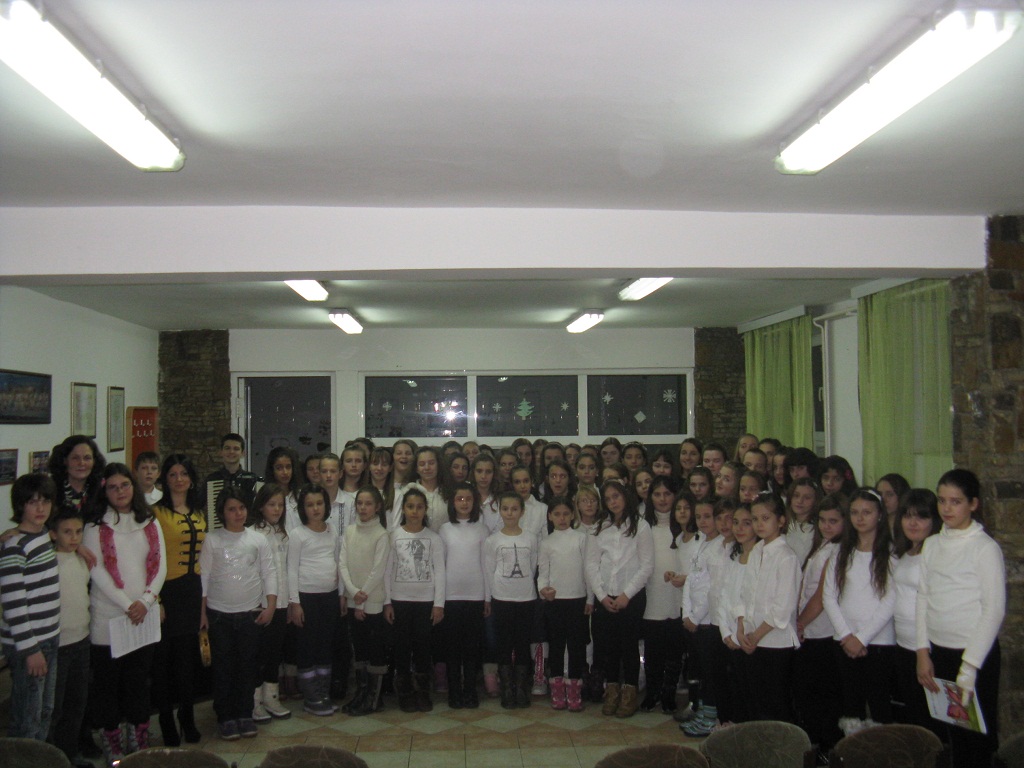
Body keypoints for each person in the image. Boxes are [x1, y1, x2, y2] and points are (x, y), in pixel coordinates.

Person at [916, 469, 1005, 768]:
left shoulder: (984, 548)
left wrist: (970, 666)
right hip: (939, 651)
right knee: (953, 733)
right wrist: (922, 652)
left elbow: (994, 609)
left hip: (973, 655)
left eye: (955, 502)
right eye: (942, 500)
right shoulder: (932, 544)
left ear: (973, 504)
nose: (946, 508)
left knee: (977, 739)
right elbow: (923, 597)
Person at [83, 463, 167, 764]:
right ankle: (112, 741)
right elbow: (97, 571)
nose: (120, 492)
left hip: (143, 615)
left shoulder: (149, 520)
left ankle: (138, 736)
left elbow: (160, 565)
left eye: (125, 485)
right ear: (104, 491)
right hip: (109, 617)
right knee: (108, 684)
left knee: (138, 681)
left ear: (133, 487)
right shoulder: (95, 526)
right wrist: (127, 604)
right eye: (113, 487)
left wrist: (146, 601)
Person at [199, 488, 277, 741]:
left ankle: (245, 713)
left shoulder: (258, 539)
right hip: (219, 615)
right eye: (231, 509)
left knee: (247, 667)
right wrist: (202, 612)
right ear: (222, 512)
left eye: (242, 508)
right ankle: (225, 716)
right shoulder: (212, 540)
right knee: (223, 668)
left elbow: (269, 572)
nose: (238, 513)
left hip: (250, 614)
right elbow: (204, 577)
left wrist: (271, 606)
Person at [823, 488, 896, 734]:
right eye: (854, 512)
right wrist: (846, 636)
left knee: (879, 701)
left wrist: (862, 638)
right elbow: (829, 596)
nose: (860, 518)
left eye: (867, 512)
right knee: (850, 701)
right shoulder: (841, 551)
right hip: (844, 639)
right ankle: (852, 747)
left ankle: (881, 749)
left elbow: (890, 600)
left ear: (880, 515)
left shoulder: (890, 553)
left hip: (879, 640)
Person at [150, 453, 207, 746]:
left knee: (187, 662)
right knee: (163, 663)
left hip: (191, 590)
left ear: (191, 478)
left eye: (183, 473)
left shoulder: (199, 513)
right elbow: (149, 558)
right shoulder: (155, 513)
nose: (179, 479)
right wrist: (156, 600)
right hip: (165, 591)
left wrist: (203, 605)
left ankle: (187, 716)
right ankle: (165, 719)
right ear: (165, 479)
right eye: (172, 474)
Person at [585, 481, 654, 718]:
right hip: (606, 597)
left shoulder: (641, 526)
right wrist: (602, 596)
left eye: (616, 496)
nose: (613, 502)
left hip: (630, 597)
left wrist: (626, 595)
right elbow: (591, 565)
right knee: (609, 647)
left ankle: (629, 692)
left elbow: (646, 566)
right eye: (607, 498)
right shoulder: (599, 527)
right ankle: (612, 690)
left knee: (629, 646)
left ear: (625, 496)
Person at [0, 473, 60, 741]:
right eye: (32, 502)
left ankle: (40, 758)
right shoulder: (15, 546)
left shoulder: (45, 535)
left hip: (50, 637)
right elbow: (13, 604)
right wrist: (30, 650)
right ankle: (22, 759)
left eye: (45, 501)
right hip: (29, 644)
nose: (40, 508)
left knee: (45, 711)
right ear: (20, 505)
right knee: (27, 720)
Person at [737, 492, 800, 722]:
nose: (759, 524)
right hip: (752, 638)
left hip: (775, 641)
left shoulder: (786, 557)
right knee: (756, 700)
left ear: (781, 520)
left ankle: (783, 744)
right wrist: (741, 629)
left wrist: (756, 635)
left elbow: (783, 607)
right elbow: (745, 594)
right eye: (755, 519)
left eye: (765, 518)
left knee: (777, 703)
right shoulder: (756, 551)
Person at [384, 486, 446, 713]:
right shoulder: (394, 536)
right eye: (410, 506)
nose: (414, 511)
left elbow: (440, 572)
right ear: (403, 509)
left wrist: (439, 604)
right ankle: (405, 692)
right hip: (399, 601)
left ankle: (422, 692)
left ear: (425, 510)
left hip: (425, 602)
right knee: (401, 647)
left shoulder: (434, 538)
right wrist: (387, 602)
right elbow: (387, 571)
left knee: (422, 647)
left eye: (419, 507)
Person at [793, 493, 846, 755]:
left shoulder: (839, 550)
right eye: (823, 520)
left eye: (833, 521)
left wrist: (800, 623)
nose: (826, 525)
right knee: (809, 691)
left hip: (823, 631)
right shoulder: (822, 545)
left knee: (825, 694)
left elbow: (822, 596)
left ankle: (828, 747)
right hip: (809, 630)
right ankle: (815, 741)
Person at [287, 483, 341, 717]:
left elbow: (338, 563)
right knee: (307, 647)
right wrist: (295, 603)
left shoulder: (332, 531)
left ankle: (323, 694)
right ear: (303, 508)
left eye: (319, 503)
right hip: (306, 599)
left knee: (325, 646)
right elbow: (291, 570)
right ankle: (311, 697)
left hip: (330, 596)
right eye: (310, 504)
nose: (316, 508)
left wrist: (340, 594)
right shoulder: (297, 534)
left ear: (326, 506)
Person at [891, 489, 940, 734]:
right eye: (907, 516)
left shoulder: (935, 554)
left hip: (928, 649)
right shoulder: (904, 552)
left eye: (921, 516)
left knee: (934, 722)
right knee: (914, 720)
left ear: (934, 521)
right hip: (903, 645)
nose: (913, 523)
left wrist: (924, 654)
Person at [47, 507, 93, 768]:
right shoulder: (49, 562)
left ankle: (70, 753)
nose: (74, 537)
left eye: (78, 532)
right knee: (55, 706)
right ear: (53, 534)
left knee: (77, 703)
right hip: (58, 645)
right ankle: (53, 757)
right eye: (67, 532)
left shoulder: (81, 559)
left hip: (81, 640)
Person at [484, 490, 539, 710]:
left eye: (514, 509)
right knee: (504, 644)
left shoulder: (531, 538)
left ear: (522, 512)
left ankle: (521, 688)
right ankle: (507, 688)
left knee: (523, 643)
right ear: (500, 511)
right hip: (501, 598)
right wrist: (488, 599)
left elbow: (532, 567)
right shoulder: (493, 540)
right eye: (505, 509)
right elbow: (489, 571)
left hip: (526, 598)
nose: (509, 513)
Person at [679, 498, 729, 737]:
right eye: (698, 517)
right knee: (700, 670)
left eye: (708, 516)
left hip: (708, 622)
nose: (702, 521)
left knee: (711, 673)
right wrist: (686, 613)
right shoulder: (702, 543)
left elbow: (713, 589)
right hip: (695, 620)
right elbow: (691, 580)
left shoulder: (721, 546)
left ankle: (711, 717)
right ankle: (702, 711)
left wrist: (696, 617)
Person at [338, 486, 390, 715]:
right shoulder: (350, 531)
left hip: (372, 602)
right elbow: (343, 564)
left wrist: (361, 599)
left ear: (377, 507)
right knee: (359, 650)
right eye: (359, 503)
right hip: (353, 599)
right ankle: (361, 693)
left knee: (374, 649)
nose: (363, 508)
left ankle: (373, 698)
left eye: (368, 504)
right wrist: (351, 592)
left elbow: (378, 570)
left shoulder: (381, 534)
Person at [438, 482, 490, 709]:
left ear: (474, 502)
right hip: (451, 597)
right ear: (452, 502)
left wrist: (487, 598)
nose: (464, 503)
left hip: (475, 596)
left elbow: (486, 565)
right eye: (459, 498)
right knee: (452, 648)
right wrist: (439, 600)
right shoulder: (444, 529)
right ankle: (454, 692)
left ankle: (470, 690)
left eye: (468, 499)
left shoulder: (482, 529)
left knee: (471, 647)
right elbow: (440, 566)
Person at [538, 496, 590, 712]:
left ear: (572, 515)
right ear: (550, 516)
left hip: (578, 600)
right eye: (557, 514)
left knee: (576, 646)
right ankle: (557, 688)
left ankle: (575, 688)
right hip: (555, 602)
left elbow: (588, 571)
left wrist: (590, 598)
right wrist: (543, 589)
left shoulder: (581, 539)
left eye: (566, 514)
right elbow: (543, 573)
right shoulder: (546, 543)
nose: (562, 518)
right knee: (557, 645)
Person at [640, 478, 686, 713]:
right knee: (653, 649)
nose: (662, 499)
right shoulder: (643, 526)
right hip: (652, 594)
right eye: (657, 494)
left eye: (667, 494)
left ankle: (669, 693)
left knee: (674, 649)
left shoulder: (683, 527)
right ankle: (653, 692)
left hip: (677, 595)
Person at [249, 483, 293, 721]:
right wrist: (267, 604)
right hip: (262, 605)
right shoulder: (253, 534)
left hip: (281, 603)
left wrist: (288, 603)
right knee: (258, 654)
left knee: (274, 653)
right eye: (271, 504)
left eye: (280, 505)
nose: (276, 509)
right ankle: (255, 702)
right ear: (260, 506)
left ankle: (271, 698)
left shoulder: (282, 533)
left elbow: (285, 571)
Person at [717, 503, 758, 725]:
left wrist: (738, 635)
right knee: (735, 688)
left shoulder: (760, 559)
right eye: (736, 523)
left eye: (746, 523)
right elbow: (724, 597)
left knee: (752, 693)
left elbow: (752, 602)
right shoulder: (735, 557)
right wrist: (726, 633)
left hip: (749, 638)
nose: (739, 528)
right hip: (732, 637)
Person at [48, 435, 106, 519]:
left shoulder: (103, 487)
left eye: (87, 458)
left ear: (94, 461)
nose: (81, 463)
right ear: (64, 460)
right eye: (75, 458)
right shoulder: (50, 489)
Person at [204, 433, 260, 508]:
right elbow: (199, 504)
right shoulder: (212, 479)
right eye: (227, 448)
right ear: (221, 452)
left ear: (243, 453)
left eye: (236, 449)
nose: (231, 452)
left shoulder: (252, 478)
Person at [264, 446, 302, 533]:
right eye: (279, 468)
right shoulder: (265, 497)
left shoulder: (301, 496)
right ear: (272, 470)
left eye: (288, 467)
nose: (285, 472)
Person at [786, 478, 823, 564]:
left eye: (807, 498)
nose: (800, 501)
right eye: (796, 495)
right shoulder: (784, 525)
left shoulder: (817, 530)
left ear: (815, 501)